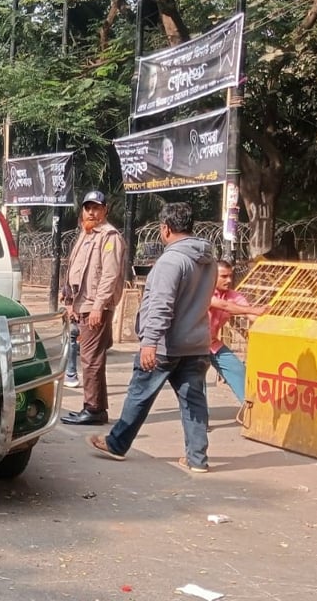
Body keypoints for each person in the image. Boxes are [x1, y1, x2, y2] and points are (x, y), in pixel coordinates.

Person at [89, 202, 216, 472]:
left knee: (139, 394)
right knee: (194, 402)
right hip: (196, 343)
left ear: (166, 228)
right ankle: (197, 459)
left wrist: (149, 341)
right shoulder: (207, 260)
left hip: (166, 345)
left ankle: (117, 444)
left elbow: (161, 305)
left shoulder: (172, 260)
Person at [61, 190, 127, 425]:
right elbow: (74, 271)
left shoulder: (109, 237)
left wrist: (99, 306)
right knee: (90, 358)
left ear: (105, 210)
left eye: (96, 208)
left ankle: (94, 409)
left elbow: (109, 275)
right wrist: (69, 302)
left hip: (95, 306)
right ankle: (95, 407)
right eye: (88, 208)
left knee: (91, 359)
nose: (91, 212)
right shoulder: (85, 234)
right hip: (82, 305)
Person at [209, 260, 268, 411]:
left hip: (212, 344)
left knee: (238, 370)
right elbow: (225, 306)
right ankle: (198, 420)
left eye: (230, 276)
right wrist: (255, 310)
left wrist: (270, 321)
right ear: (212, 276)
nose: (229, 280)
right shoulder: (203, 292)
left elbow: (250, 315)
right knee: (195, 383)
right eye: (224, 276)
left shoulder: (233, 296)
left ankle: (252, 412)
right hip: (192, 345)